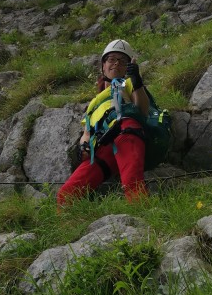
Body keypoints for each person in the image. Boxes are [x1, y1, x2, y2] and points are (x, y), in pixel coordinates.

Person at [57, 39, 150, 206]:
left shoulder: (128, 84)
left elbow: (142, 110)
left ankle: (146, 223)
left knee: (132, 184)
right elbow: (87, 133)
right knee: (66, 194)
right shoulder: (93, 105)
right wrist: (84, 147)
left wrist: (136, 80)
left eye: (123, 61)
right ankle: (70, 228)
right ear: (103, 65)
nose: (116, 64)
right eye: (112, 59)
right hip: (103, 145)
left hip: (127, 132)